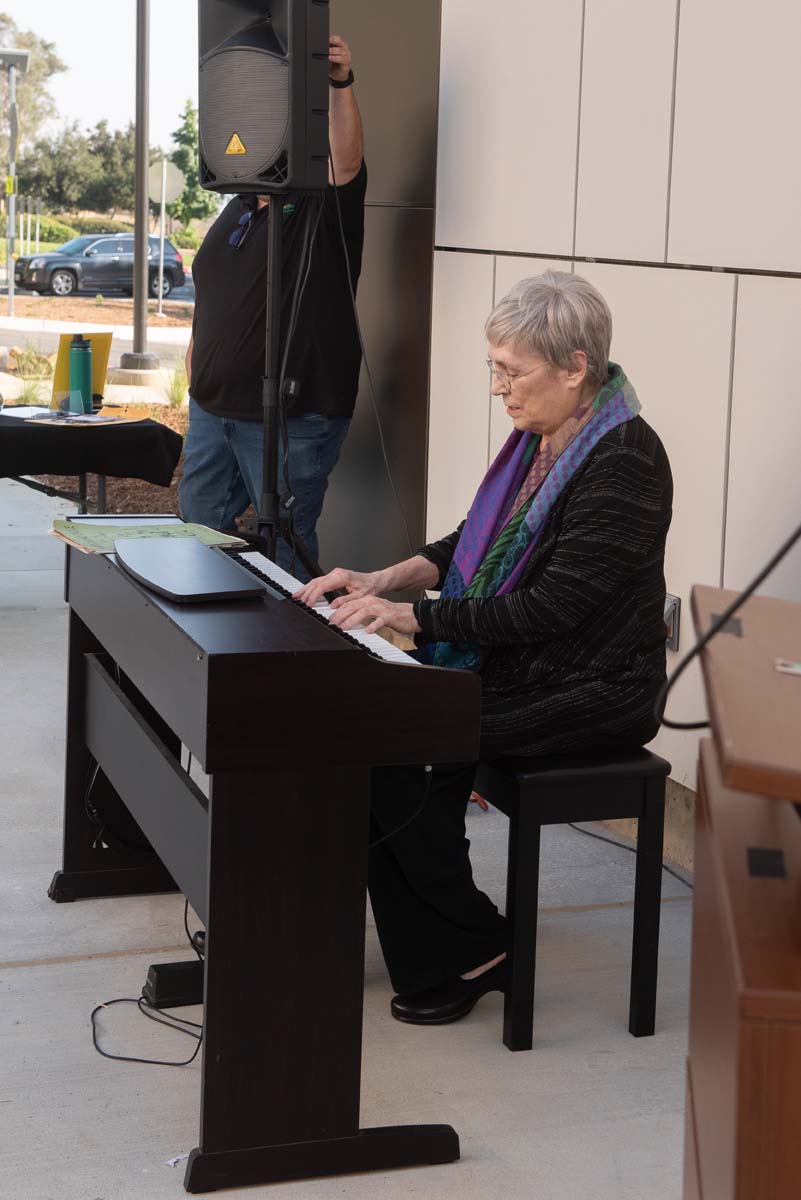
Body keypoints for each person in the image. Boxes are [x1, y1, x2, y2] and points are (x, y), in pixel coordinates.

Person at [297, 271, 673, 1026]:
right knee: (378, 735)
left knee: (404, 737)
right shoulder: (541, 440)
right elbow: (470, 542)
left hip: (592, 685)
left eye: (513, 371)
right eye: (493, 369)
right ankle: (439, 947)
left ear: (575, 366)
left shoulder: (622, 458)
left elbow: (553, 607)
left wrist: (414, 619)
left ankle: (477, 946)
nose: (499, 389)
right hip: (533, 666)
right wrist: (383, 575)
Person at [179, 34, 365, 578]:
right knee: (199, 528)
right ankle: (215, 643)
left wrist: (339, 82)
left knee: (285, 548)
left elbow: (346, 160)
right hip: (213, 410)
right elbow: (211, 294)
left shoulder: (317, 201)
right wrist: (197, 367)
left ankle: (286, 655)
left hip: (291, 415)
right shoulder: (235, 208)